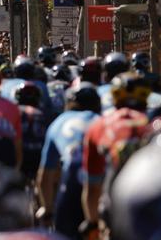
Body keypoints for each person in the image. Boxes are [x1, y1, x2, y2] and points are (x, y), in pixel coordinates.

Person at [81, 72, 151, 239]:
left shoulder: (98, 126)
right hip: (156, 206)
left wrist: (93, 223)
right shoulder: (157, 121)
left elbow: (92, 187)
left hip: (113, 206)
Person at [37, 83, 101, 238]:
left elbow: (45, 175)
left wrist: (47, 208)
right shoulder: (101, 120)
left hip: (71, 182)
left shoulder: (58, 123)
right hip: (100, 184)